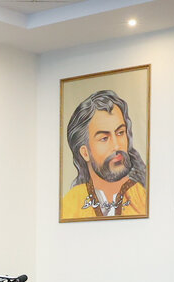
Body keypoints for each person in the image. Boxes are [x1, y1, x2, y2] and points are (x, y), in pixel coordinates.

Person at [60, 89, 149, 219]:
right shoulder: (71, 204)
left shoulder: (143, 198)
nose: (116, 146)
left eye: (120, 133)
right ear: (85, 153)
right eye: (104, 138)